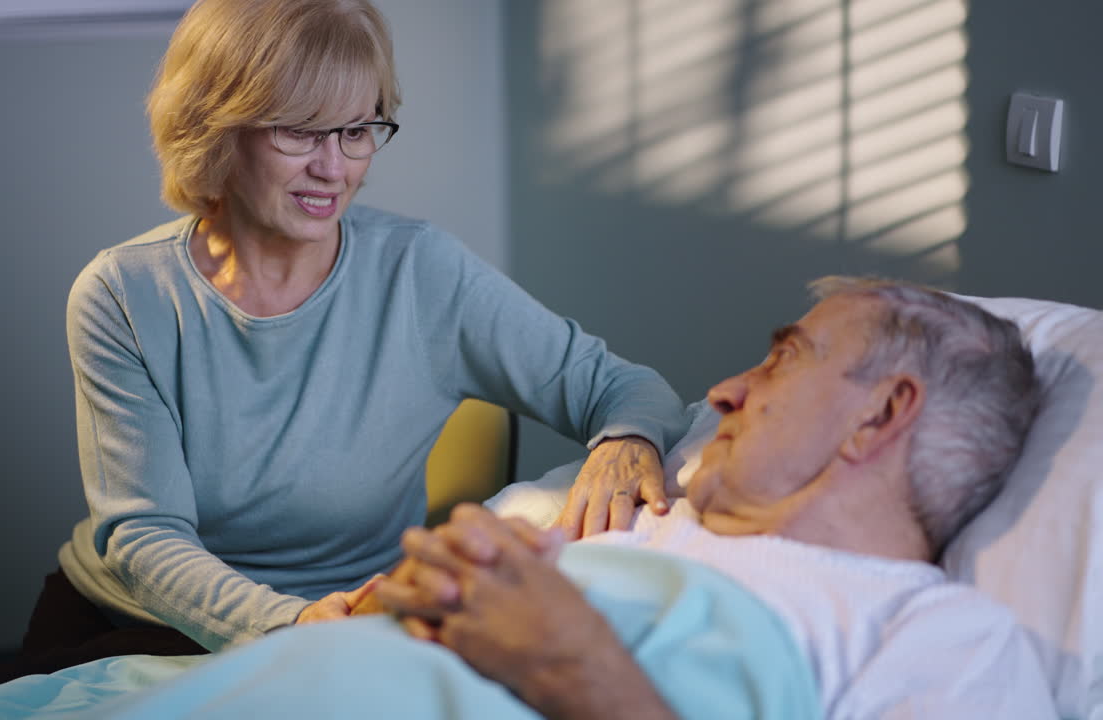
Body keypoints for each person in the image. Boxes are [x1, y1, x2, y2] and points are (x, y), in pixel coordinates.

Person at [0, 0, 686, 691]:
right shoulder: (124, 295)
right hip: (135, 621)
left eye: (358, 130)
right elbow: (147, 535)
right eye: (300, 132)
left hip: (349, 618)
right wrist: (289, 620)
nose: (334, 168)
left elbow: (622, 386)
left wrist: (626, 438)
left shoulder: (422, 272)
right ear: (215, 126)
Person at [360, 276, 1056, 718]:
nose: (724, 394)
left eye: (783, 360)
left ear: (879, 416)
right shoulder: (639, 526)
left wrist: (573, 667)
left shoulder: (944, 641)